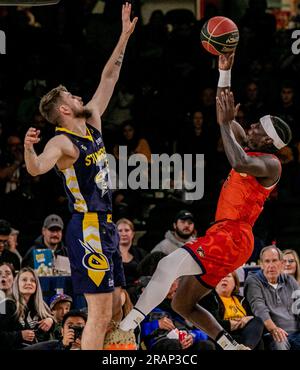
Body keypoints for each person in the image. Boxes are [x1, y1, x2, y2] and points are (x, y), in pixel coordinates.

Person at [120, 52, 292, 351]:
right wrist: (224, 72)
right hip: (224, 235)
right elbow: (223, 114)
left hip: (234, 234)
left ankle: (126, 326)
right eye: (252, 126)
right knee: (183, 302)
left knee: (165, 267)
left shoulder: (270, 163)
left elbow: (236, 156)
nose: (249, 128)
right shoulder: (249, 143)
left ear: (267, 141)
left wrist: (227, 125)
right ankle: (229, 345)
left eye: (256, 130)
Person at [23, 3, 137, 350]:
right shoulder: (62, 141)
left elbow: (109, 78)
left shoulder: (92, 123)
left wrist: (123, 37)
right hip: (86, 224)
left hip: (104, 223)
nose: (79, 95)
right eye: (72, 95)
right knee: (100, 314)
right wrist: (29, 148)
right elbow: (37, 168)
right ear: (64, 109)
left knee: (117, 302)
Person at [244, 246, 300, 350]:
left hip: (296, 333)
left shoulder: (290, 280)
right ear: (261, 264)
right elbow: (259, 309)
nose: (271, 265)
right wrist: (273, 329)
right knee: (280, 342)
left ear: (281, 263)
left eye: (274, 261)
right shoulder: (253, 281)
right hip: (272, 333)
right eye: (267, 261)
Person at [201, 272, 264, 350]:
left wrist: (245, 321)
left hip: (244, 335)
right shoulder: (210, 298)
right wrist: (239, 322)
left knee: (258, 321)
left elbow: (252, 322)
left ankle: (245, 348)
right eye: (221, 276)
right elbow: (213, 323)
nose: (224, 279)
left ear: (235, 283)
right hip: (223, 336)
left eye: (228, 276)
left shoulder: (242, 300)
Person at [0, 267, 54, 350]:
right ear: (16, 283)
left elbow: (58, 324)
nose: (29, 283)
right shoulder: (4, 305)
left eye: (33, 280)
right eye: (24, 280)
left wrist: (51, 320)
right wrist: (19, 335)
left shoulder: (41, 305)